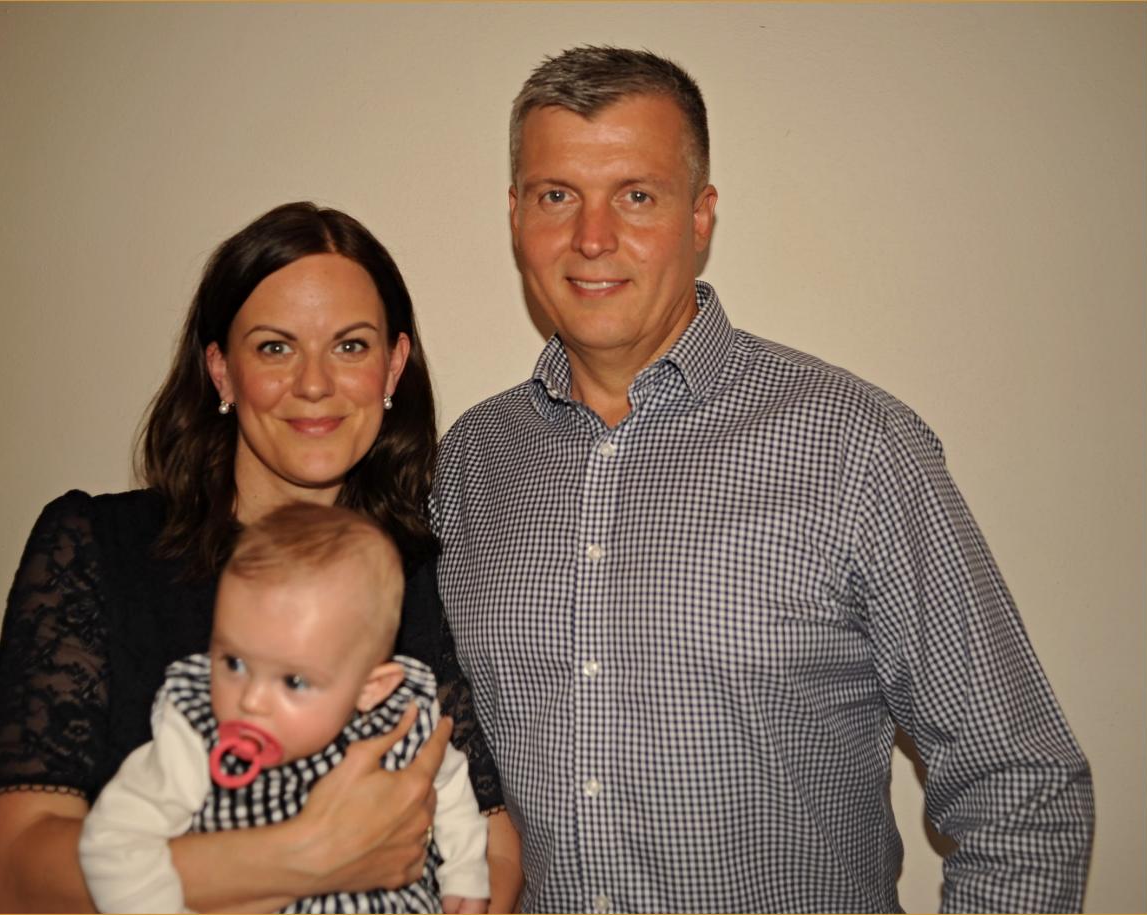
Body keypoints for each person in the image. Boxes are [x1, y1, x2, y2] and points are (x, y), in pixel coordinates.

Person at [431, 46, 1093, 913]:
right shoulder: (471, 462)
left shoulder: (856, 446)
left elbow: (1023, 788)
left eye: (637, 196)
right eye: (558, 196)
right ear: (516, 214)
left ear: (700, 216)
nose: (592, 237)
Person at [0, 202, 522, 913]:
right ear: (222, 372)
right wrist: (309, 853)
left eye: (351, 346)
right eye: (275, 348)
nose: (314, 383)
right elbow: (12, 878)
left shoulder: (413, 569)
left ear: (393, 367)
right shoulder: (97, 547)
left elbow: (491, 846)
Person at [79, 502, 490, 914]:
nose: (251, 700)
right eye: (234, 663)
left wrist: (465, 873)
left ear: (370, 688)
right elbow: (114, 843)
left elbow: (451, 790)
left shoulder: (400, 719)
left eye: (294, 682)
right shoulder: (194, 735)